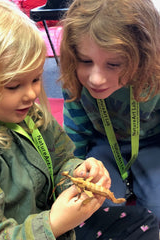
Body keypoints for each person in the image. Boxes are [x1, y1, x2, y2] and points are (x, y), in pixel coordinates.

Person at [0, 0, 158, 239]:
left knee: (152, 213)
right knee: (105, 208)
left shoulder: (33, 117)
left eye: (36, 80)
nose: (33, 95)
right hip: (36, 226)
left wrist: (79, 170)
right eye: (14, 86)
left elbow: (63, 157)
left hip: (149, 145)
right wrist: (53, 224)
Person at [59, 0, 160, 227]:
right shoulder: (75, 79)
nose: (96, 79)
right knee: (99, 208)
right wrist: (74, 167)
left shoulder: (155, 77)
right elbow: (76, 131)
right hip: (104, 143)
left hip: (152, 143)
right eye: (85, 61)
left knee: (157, 210)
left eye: (113, 64)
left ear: (144, 57)